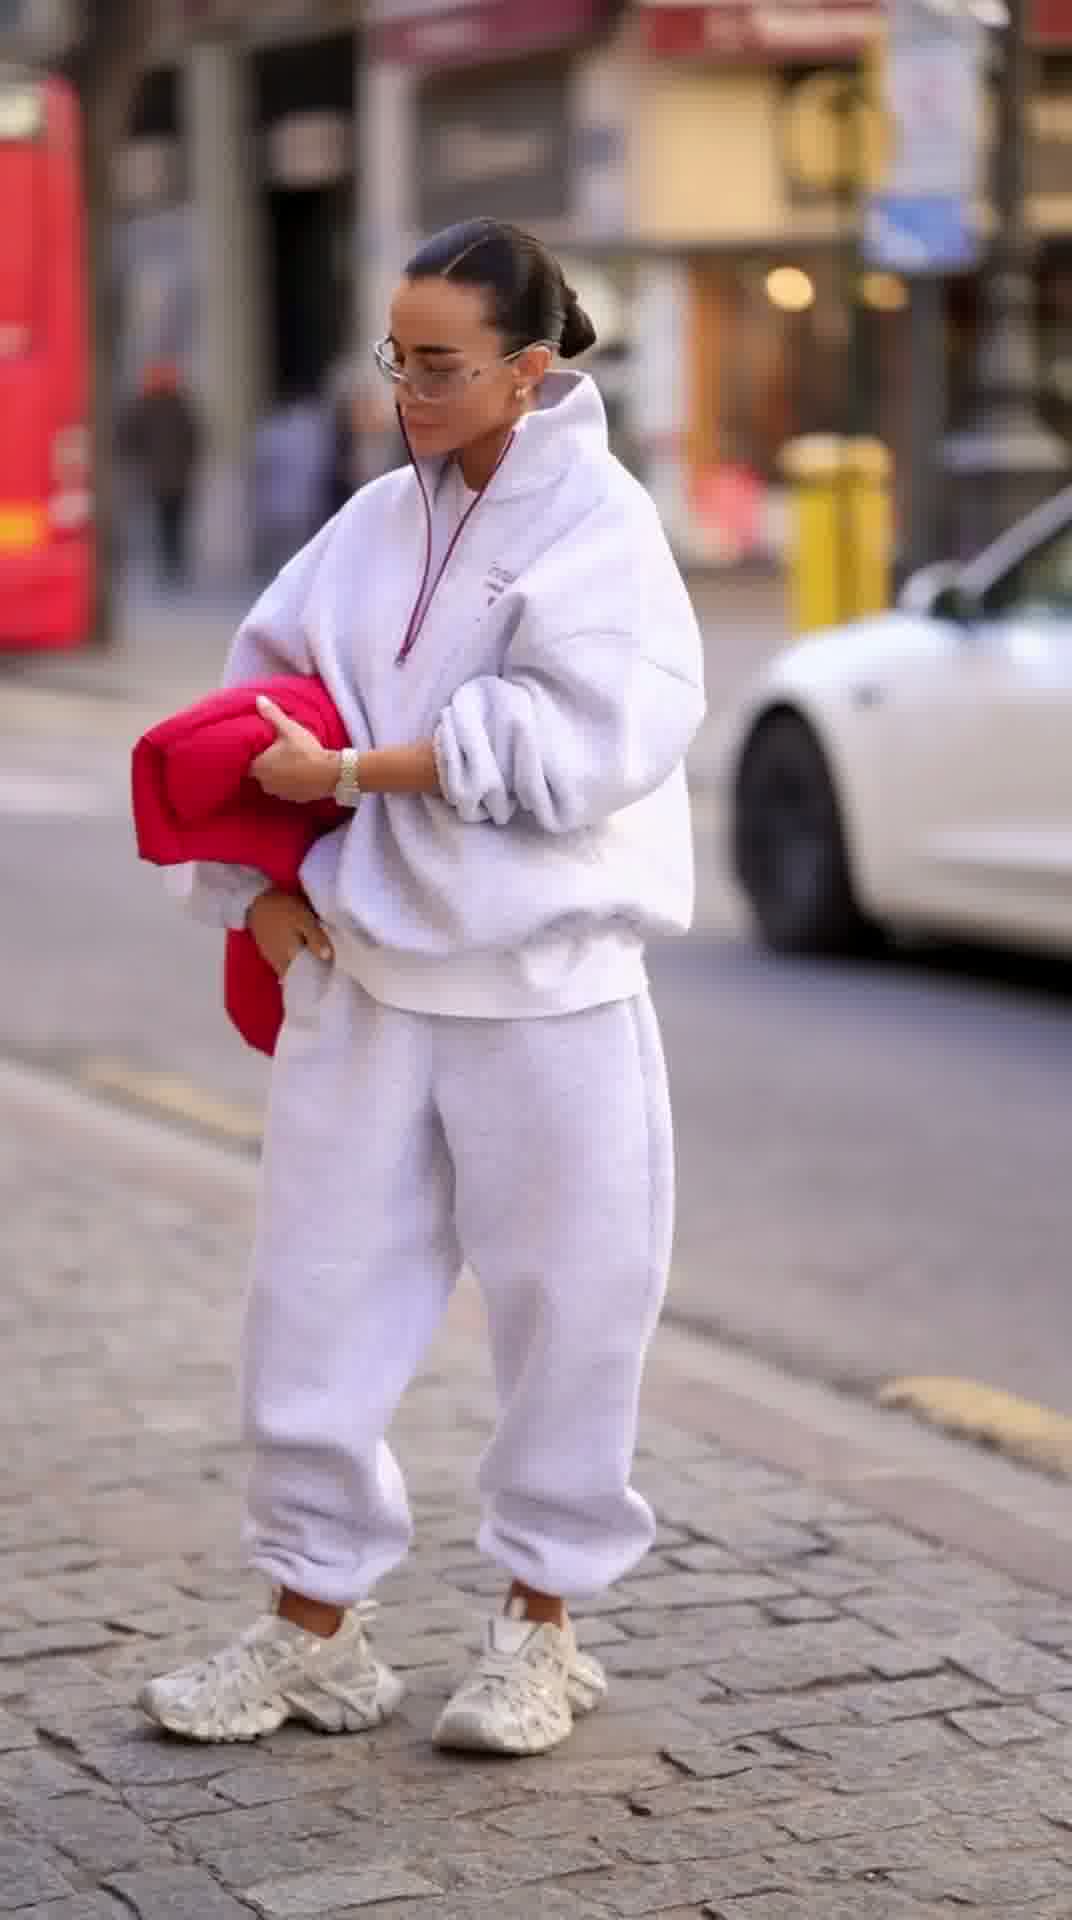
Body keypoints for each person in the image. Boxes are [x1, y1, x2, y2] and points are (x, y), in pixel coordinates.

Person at [140, 218, 706, 1758]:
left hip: (551, 982)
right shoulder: (375, 518)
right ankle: (312, 1630)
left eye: (442, 365)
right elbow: (255, 695)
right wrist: (253, 890)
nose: (409, 392)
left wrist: (355, 775)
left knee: (575, 1309)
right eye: (397, 361)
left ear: (532, 368)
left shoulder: (605, 528)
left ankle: (542, 1629)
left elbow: (586, 745)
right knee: (311, 1301)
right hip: (367, 976)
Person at [120, 362, 201, 587]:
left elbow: (129, 438)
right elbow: (194, 438)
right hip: (178, 477)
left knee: (164, 522)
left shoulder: (146, 406)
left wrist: (139, 462)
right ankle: (173, 564)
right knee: (174, 523)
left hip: (157, 477)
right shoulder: (179, 406)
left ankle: (168, 565)